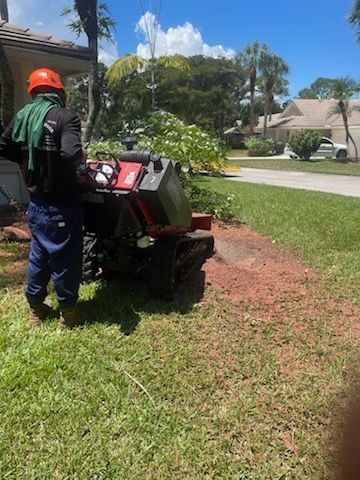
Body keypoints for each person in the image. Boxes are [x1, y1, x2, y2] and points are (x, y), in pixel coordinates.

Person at [0, 68, 84, 329]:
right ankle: (67, 314)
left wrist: (28, 161)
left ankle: (36, 309)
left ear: (33, 92)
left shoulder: (23, 117)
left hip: (36, 204)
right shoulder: (65, 117)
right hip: (63, 204)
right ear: (59, 91)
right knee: (65, 258)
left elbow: (4, 146)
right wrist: (82, 168)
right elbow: (71, 152)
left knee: (39, 255)